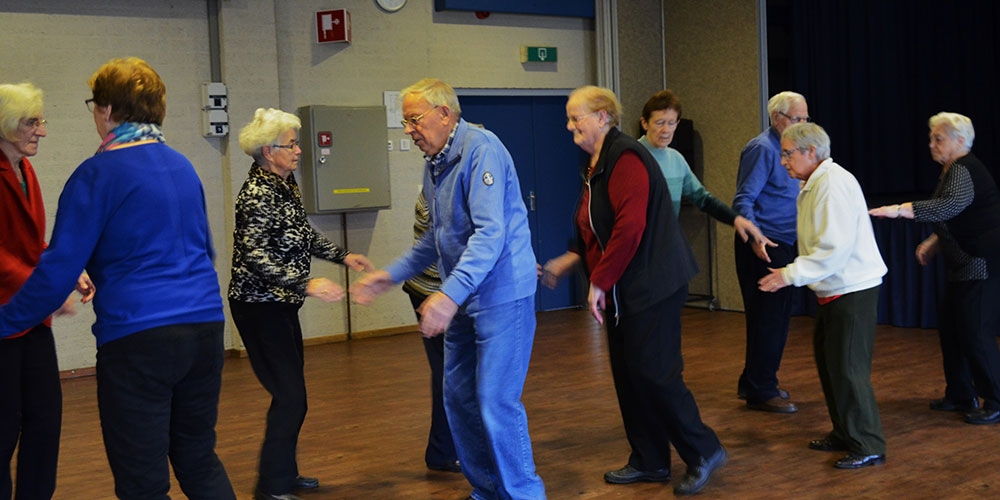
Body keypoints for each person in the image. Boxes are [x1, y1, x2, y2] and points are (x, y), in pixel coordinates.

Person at [0, 57, 236, 499]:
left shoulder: (97, 173)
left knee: (142, 481)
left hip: (139, 339)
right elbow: (204, 249)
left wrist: (7, 322)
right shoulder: (183, 166)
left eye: (94, 105)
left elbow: (57, 271)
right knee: (198, 459)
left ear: (108, 111)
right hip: (205, 330)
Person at [351, 78, 545, 500]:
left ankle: (526, 494)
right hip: (463, 298)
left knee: (496, 402)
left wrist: (448, 294)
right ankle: (488, 490)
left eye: (413, 120)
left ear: (445, 113)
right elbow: (433, 238)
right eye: (405, 122)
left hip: (501, 296)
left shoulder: (482, 149)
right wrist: (390, 274)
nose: (408, 131)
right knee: (457, 400)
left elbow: (490, 235)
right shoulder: (435, 160)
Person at [542, 85, 726, 495]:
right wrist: (575, 257)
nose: (569, 125)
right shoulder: (597, 161)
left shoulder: (625, 156)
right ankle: (649, 460)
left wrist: (599, 280)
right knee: (630, 376)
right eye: (569, 118)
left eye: (577, 117)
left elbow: (630, 227)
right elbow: (594, 221)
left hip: (653, 284)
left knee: (656, 373)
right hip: (627, 287)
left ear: (604, 115)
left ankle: (703, 449)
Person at [229, 108, 374, 500]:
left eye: (296, 143)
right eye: (290, 144)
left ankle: (284, 473)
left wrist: (344, 256)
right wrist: (307, 283)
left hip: (280, 303)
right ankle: (271, 487)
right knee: (290, 396)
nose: (298, 151)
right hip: (258, 306)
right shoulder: (256, 194)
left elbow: (303, 234)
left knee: (293, 395)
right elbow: (254, 255)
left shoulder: (284, 184)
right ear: (267, 150)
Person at [759, 122, 887, 469]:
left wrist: (788, 275)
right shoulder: (814, 183)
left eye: (787, 154)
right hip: (834, 289)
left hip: (852, 289)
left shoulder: (832, 184)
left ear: (810, 152)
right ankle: (845, 432)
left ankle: (868, 442)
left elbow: (833, 249)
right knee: (831, 366)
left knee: (848, 368)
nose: (783, 161)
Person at [870, 112, 1000, 425]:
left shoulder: (965, 169)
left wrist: (898, 210)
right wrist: (934, 241)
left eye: (937, 138)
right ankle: (960, 394)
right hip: (962, 264)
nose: (931, 144)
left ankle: (995, 399)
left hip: (979, 263)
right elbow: (955, 215)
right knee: (953, 330)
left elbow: (947, 207)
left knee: (975, 333)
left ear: (959, 141)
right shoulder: (951, 170)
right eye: (931, 138)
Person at [0, 82, 93, 500]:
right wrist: (46, 287)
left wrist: (68, 270)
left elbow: (26, 240)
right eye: (30, 122)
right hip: (5, 320)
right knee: (3, 430)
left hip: (30, 317)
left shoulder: (24, 168)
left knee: (45, 421)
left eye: (41, 121)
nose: (42, 130)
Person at [732, 91, 809, 413]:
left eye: (806, 119)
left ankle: (755, 381)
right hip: (764, 244)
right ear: (777, 118)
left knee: (774, 318)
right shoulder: (762, 149)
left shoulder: (791, 149)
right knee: (768, 320)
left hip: (785, 242)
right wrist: (755, 238)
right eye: (796, 119)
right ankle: (762, 390)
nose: (803, 125)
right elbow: (743, 200)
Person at [638, 90, 771, 248]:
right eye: (659, 123)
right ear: (645, 123)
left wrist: (735, 219)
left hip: (665, 247)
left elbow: (702, 198)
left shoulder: (676, 159)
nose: (666, 130)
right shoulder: (631, 157)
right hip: (638, 249)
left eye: (671, 123)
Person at [400, 191, 460, 474]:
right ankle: (443, 451)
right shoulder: (441, 187)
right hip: (435, 294)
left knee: (447, 373)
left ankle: (443, 450)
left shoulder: (440, 181)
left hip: (433, 291)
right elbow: (448, 241)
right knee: (450, 374)